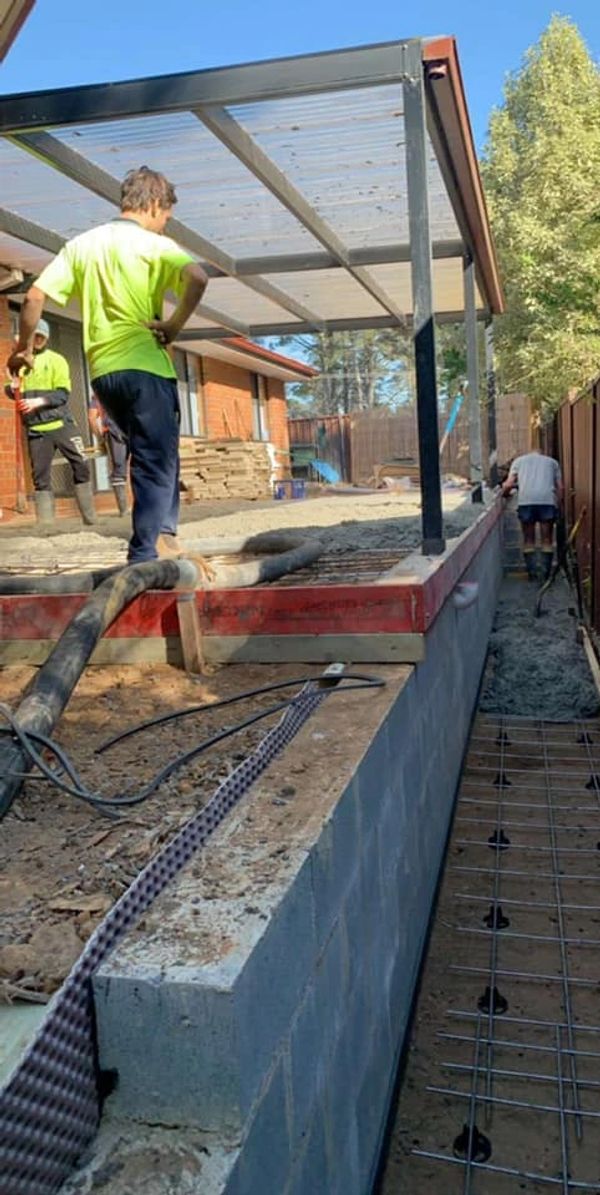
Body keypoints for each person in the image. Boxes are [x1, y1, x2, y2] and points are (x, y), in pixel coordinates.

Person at [8, 166, 209, 565]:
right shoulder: (155, 244)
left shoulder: (82, 245)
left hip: (103, 374)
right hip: (146, 368)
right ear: (155, 204)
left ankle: (166, 537)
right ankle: (145, 553)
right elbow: (198, 278)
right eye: (166, 217)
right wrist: (173, 325)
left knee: (152, 453)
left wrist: (23, 348)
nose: (165, 225)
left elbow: (33, 298)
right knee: (156, 457)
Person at [5, 318, 96, 526]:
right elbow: (12, 391)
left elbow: (62, 394)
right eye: (34, 336)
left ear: (46, 338)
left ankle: (90, 518)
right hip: (36, 430)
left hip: (62, 424)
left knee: (81, 464)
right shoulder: (19, 364)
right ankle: (46, 526)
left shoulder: (57, 360)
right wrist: (12, 386)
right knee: (41, 478)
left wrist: (38, 402)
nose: (37, 340)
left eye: (41, 336)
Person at [502, 447, 564, 581]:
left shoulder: (518, 461)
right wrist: (558, 506)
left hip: (526, 502)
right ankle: (545, 575)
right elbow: (560, 487)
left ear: (529, 453)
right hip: (547, 502)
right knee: (547, 539)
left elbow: (508, 485)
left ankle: (532, 574)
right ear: (542, 453)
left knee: (529, 539)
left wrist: (505, 494)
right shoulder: (552, 463)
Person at [89, 393, 130, 516]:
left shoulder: (99, 393)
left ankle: (123, 510)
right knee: (142, 466)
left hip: (114, 432)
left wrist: (100, 439)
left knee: (119, 470)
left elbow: (91, 418)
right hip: (134, 428)